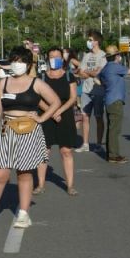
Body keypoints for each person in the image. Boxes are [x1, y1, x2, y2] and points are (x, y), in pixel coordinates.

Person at [0, 46, 61, 230]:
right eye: (14, 60)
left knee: (24, 173)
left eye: (21, 61)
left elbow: (55, 102)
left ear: (28, 64)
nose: (17, 64)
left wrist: (41, 118)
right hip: (7, 130)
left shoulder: (36, 83)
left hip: (29, 131)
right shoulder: (3, 83)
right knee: (0, 174)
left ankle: (23, 213)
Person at [34, 48, 79, 196]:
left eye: (57, 56)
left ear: (62, 58)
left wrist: (59, 111)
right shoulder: (41, 77)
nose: (54, 59)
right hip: (46, 116)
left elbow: (73, 98)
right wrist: (51, 112)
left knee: (66, 151)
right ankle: (40, 185)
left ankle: (70, 185)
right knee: (43, 151)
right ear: (47, 59)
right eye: (51, 56)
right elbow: (38, 98)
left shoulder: (68, 76)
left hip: (64, 116)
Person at [97, 45, 130, 163]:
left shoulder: (105, 68)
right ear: (116, 56)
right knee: (115, 130)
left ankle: (110, 153)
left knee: (111, 128)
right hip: (115, 101)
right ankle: (114, 155)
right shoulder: (115, 67)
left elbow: (98, 80)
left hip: (108, 100)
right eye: (119, 55)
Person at [76, 30, 107, 153]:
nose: (88, 42)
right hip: (86, 90)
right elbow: (81, 73)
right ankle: (85, 144)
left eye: (90, 39)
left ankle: (99, 144)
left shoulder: (103, 56)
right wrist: (90, 73)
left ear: (96, 42)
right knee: (85, 117)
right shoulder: (87, 56)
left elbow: (98, 73)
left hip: (98, 91)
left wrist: (87, 72)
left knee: (98, 117)